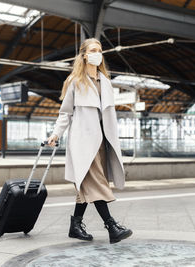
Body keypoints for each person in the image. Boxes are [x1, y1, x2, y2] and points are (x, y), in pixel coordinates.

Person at [46, 38, 132, 244]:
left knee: (86, 184)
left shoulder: (106, 82)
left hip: (103, 141)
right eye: (93, 50)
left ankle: (75, 225)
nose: (97, 53)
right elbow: (65, 113)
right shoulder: (75, 81)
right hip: (83, 141)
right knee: (97, 181)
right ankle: (111, 226)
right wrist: (55, 133)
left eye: (100, 50)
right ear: (84, 55)